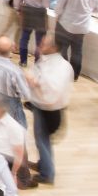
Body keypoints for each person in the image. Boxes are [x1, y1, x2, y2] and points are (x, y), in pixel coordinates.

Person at [24, 35, 72, 185]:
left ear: (53, 48)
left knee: (42, 141)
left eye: (44, 44)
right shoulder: (48, 60)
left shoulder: (60, 67)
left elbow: (54, 89)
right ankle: (44, 164)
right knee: (42, 140)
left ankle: (47, 174)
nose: (40, 45)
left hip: (49, 110)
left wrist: (35, 82)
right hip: (44, 107)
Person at [51, 0, 98, 76]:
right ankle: (74, 75)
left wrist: (57, 17)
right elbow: (97, 9)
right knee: (77, 51)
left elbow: (59, 6)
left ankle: (63, 72)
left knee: (61, 48)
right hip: (82, 26)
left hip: (65, 23)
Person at [12, 0, 51, 64]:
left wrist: (17, 8)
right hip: (40, 12)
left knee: (24, 36)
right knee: (40, 40)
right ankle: (37, 61)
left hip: (26, 10)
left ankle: (23, 60)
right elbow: (46, 3)